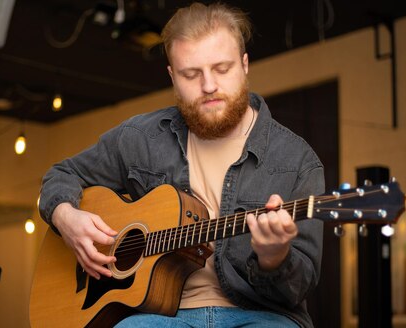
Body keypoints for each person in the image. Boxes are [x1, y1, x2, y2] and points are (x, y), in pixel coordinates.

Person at [39, 2, 324, 327]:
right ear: (173, 77)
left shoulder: (297, 159)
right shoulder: (139, 138)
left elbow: (301, 284)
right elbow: (60, 175)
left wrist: (275, 258)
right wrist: (66, 216)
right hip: (161, 315)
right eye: (191, 74)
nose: (208, 86)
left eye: (222, 69)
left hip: (261, 314)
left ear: (245, 65)